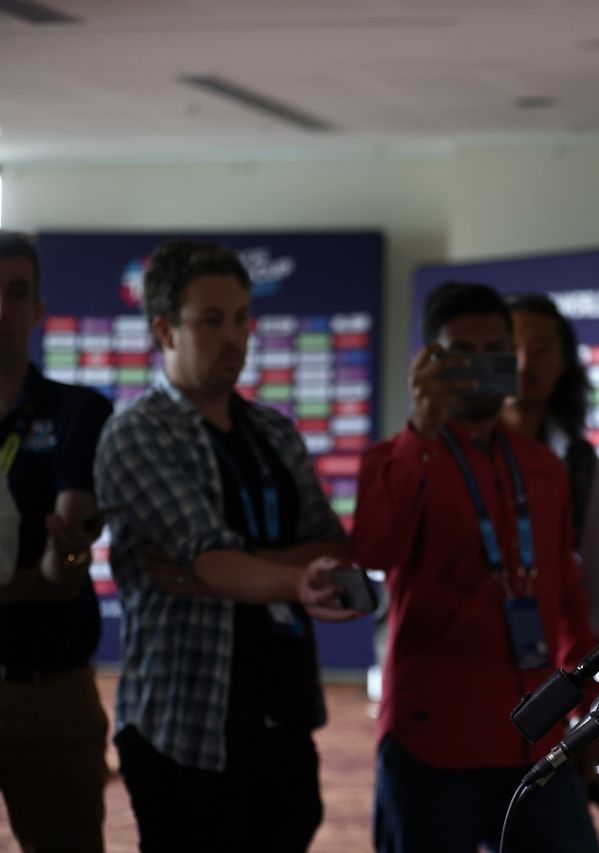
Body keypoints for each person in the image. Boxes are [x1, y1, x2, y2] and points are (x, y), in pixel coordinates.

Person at [94, 239, 360, 852]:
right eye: (211, 321)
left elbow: (331, 549)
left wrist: (221, 572)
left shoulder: (272, 429)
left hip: (284, 715)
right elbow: (209, 553)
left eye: (241, 318)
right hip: (184, 726)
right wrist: (291, 578)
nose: (234, 336)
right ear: (164, 330)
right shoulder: (135, 434)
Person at [351, 281, 599, 853]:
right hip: (431, 742)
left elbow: (566, 602)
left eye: (496, 350)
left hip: (537, 739)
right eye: (462, 352)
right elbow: (373, 554)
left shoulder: (543, 468)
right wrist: (420, 432)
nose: (483, 365)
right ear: (429, 361)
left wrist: (587, 711)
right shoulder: (395, 461)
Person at [0, 230, 114, 852]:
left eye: (16, 293)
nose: (0, 310)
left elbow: (60, 575)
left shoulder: (76, 413)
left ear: (38, 309)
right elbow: (37, 579)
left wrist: (67, 553)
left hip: (47, 692)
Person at [501, 292, 599, 641]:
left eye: (540, 348)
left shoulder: (580, 465)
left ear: (563, 362)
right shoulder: (453, 453)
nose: (524, 362)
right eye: (510, 346)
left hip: (553, 663)